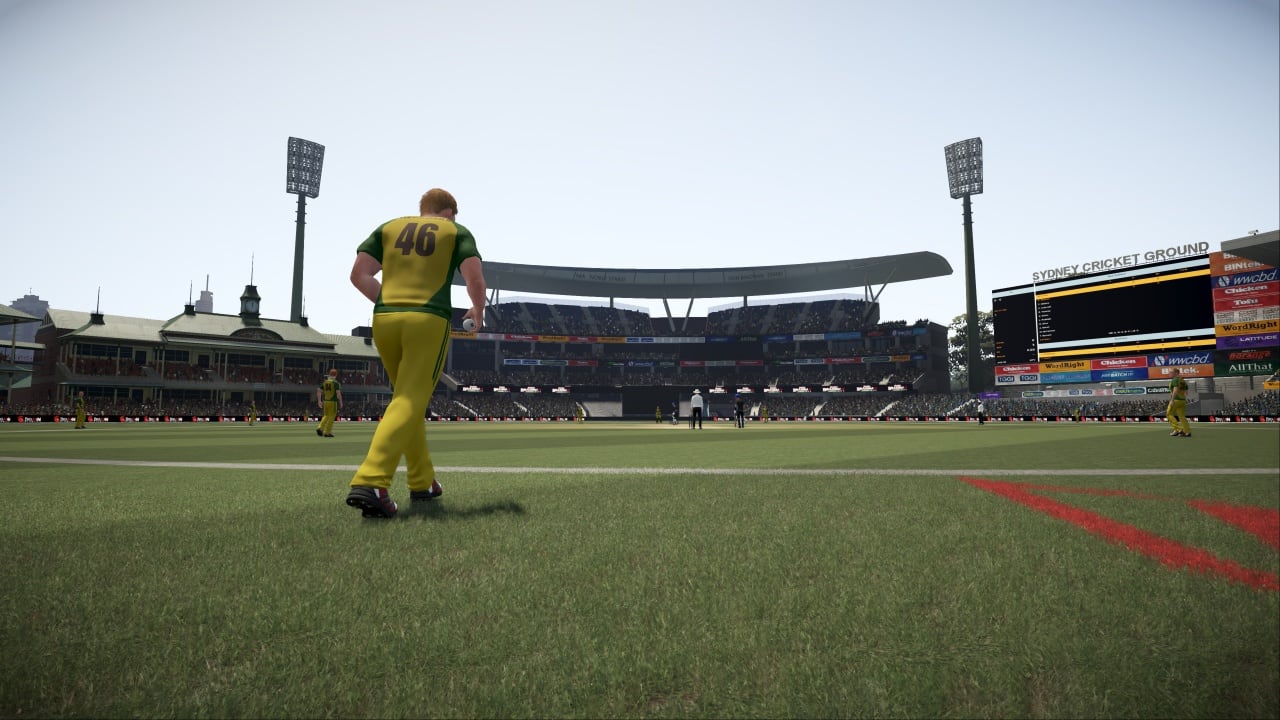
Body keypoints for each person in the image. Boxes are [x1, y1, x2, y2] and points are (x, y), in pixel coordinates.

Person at [345, 187, 486, 518]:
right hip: (427, 319)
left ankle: (422, 480)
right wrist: (478, 311)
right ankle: (371, 479)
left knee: (406, 400)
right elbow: (475, 279)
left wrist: (389, 300)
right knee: (410, 399)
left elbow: (358, 275)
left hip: (385, 319)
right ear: (450, 212)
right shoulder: (455, 231)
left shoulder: (389, 227)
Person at [316, 368, 343, 437]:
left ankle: (320, 427)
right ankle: (327, 432)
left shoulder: (325, 382)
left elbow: (319, 391)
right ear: (336, 375)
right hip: (332, 402)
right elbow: (338, 393)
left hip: (325, 401)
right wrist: (341, 402)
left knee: (326, 415)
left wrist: (319, 401)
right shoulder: (335, 383)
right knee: (331, 417)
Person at [1166, 368, 1192, 437]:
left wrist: (1172, 400)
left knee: (1169, 414)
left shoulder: (1175, 380)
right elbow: (1186, 393)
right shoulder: (1183, 381)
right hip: (1182, 401)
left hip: (1176, 400)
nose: (1169, 373)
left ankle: (1178, 430)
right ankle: (1187, 432)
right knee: (1182, 417)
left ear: (1176, 373)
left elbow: (1175, 390)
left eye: (1171, 372)